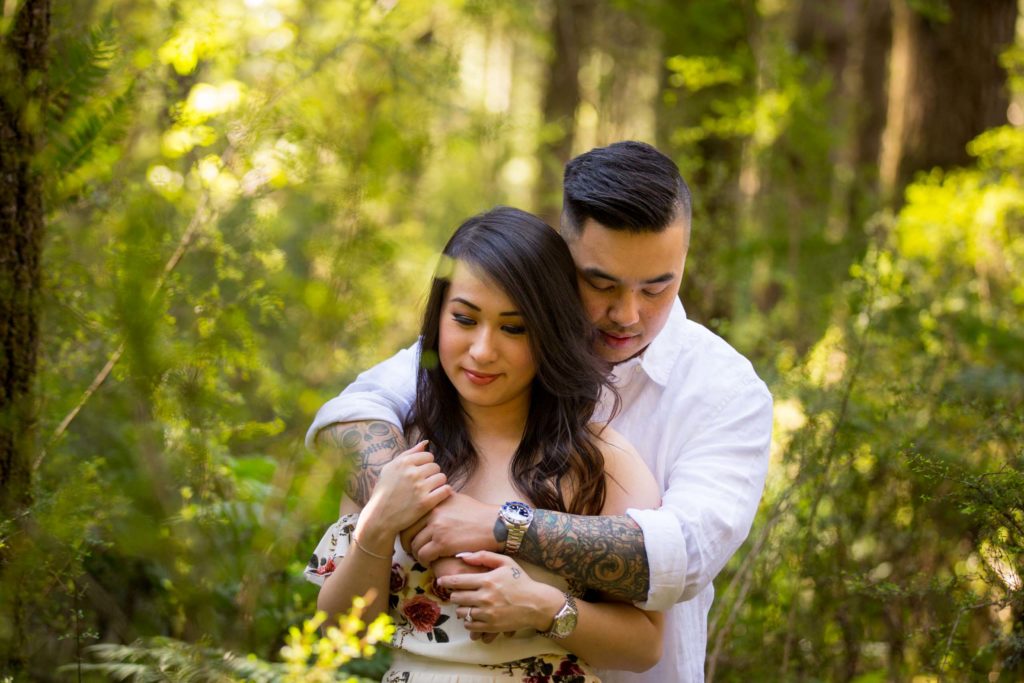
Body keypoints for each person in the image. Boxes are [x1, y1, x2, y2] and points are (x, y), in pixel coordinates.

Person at [307, 141, 774, 683]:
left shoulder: (721, 393)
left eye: (657, 287)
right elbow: (355, 413)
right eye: (601, 283)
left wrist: (499, 527)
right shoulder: (471, 365)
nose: (627, 314)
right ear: (559, 260)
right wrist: (398, 515)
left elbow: (682, 557)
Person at [305, 207, 664, 682]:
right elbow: (337, 631)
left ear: (550, 333)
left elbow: (644, 647)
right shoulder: (398, 451)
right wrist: (376, 527)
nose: (482, 350)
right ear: (438, 319)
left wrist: (542, 606)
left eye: (513, 328)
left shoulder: (600, 461)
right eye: (465, 319)